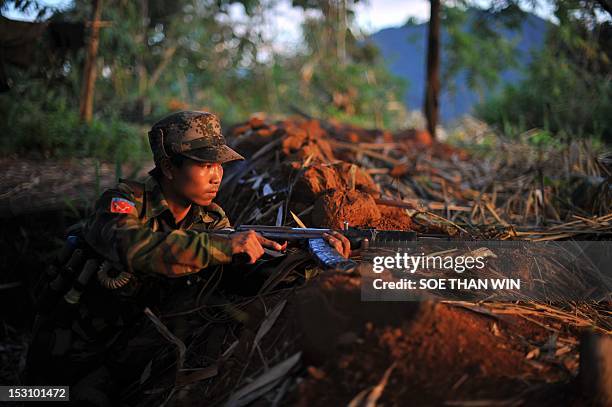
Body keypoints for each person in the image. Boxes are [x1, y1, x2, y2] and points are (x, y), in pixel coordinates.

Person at [25, 111, 351, 406]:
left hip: (125, 360)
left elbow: (240, 277)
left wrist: (302, 255)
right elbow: (135, 249)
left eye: (219, 164)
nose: (216, 176)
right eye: (204, 164)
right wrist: (224, 247)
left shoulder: (210, 219)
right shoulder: (124, 202)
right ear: (168, 167)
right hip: (67, 355)